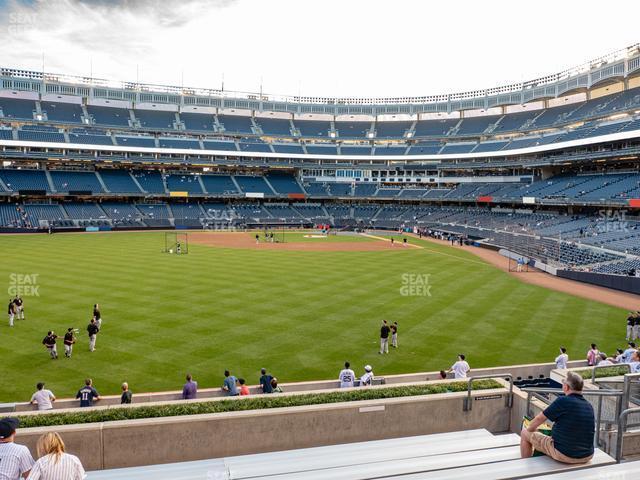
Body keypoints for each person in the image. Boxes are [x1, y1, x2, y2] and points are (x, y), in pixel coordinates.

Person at [520, 371, 595, 464]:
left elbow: (539, 419)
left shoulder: (563, 400)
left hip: (565, 454)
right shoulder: (588, 406)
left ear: (566, 387)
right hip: (587, 455)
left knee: (524, 433)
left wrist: (531, 429)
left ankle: (524, 468)